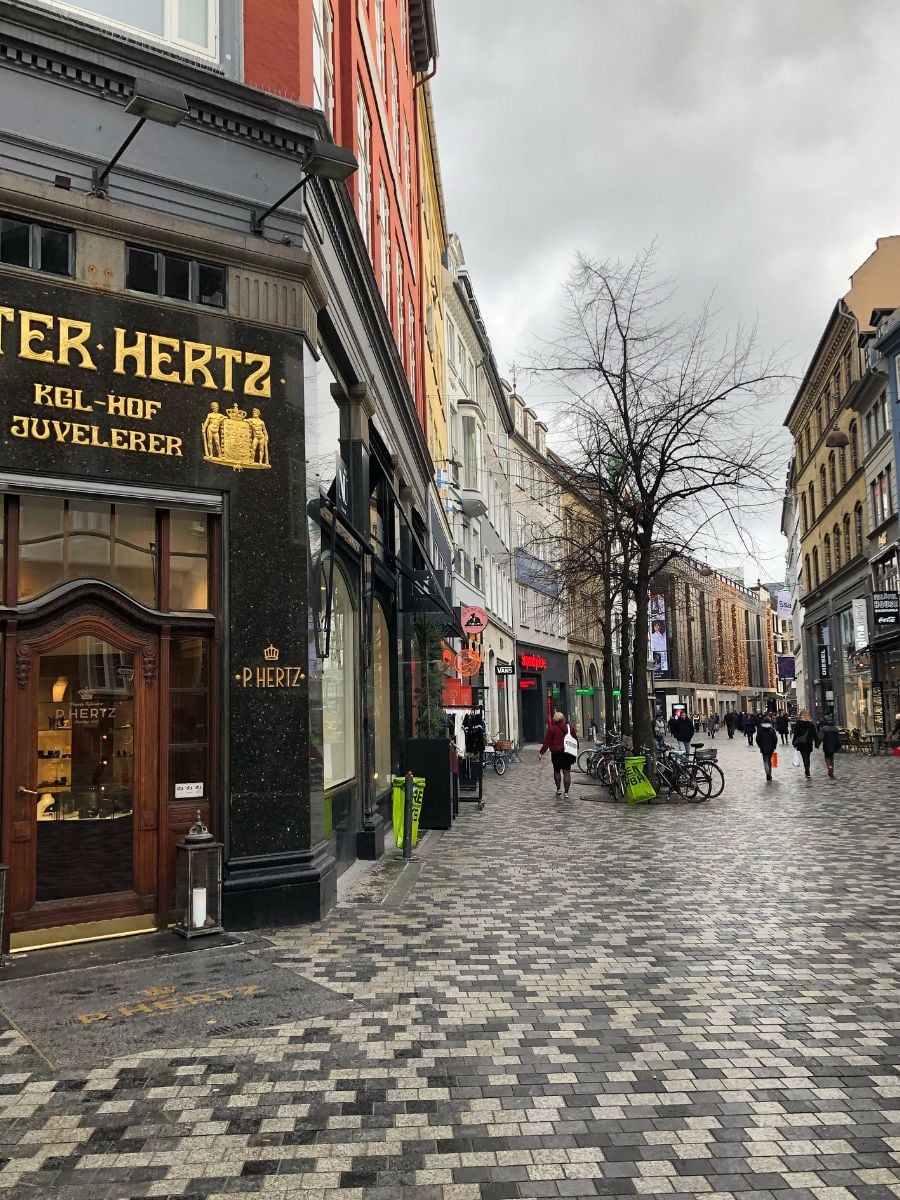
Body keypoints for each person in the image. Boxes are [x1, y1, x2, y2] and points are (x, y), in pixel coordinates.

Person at [539, 711, 577, 798]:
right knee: (567, 772)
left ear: (555, 719)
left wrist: (541, 752)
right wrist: (575, 750)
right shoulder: (570, 728)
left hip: (556, 753)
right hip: (568, 753)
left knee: (557, 771)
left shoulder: (552, 729)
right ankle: (566, 792)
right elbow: (575, 741)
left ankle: (559, 789)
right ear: (563, 718)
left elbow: (547, 742)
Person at [792, 708, 819, 779]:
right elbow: (815, 734)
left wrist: (794, 742)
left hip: (801, 743)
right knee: (808, 757)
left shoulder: (798, 724)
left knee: (804, 757)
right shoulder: (811, 724)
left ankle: (807, 770)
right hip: (808, 743)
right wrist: (817, 743)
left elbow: (796, 734)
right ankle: (807, 770)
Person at [755, 713, 778, 782]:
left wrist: (760, 746)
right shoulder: (772, 730)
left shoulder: (760, 730)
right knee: (769, 761)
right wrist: (774, 746)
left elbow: (757, 739)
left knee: (765, 760)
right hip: (771, 748)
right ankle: (769, 773)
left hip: (763, 748)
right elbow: (775, 739)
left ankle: (767, 773)